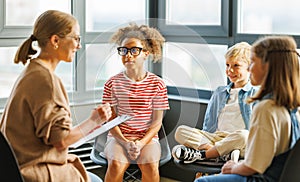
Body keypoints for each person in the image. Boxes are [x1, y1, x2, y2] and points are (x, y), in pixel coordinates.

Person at [0, 10, 112, 182]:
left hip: (17, 168)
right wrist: (95, 121)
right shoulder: (47, 81)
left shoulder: (31, 71)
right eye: (76, 38)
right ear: (55, 41)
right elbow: (61, 141)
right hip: (35, 171)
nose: (79, 45)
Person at [194, 36, 300, 182]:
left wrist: (232, 167)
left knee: (201, 181)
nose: (250, 68)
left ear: (267, 66)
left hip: (261, 178)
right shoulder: (291, 105)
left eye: (253, 62)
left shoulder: (266, 108)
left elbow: (254, 166)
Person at [101, 23, 169, 182]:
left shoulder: (158, 84)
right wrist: (125, 143)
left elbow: (156, 122)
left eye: (134, 50)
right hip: (118, 138)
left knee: (151, 166)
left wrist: (140, 143)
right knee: (116, 165)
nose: (128, 55)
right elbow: (110, 120)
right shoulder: (112, 84)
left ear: (146, 53)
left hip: (147, 139)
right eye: (123, 50)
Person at [172, 42, 258, 163]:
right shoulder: (219, 92)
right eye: (227, 65)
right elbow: (209, 122)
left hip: (237, 139)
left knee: (245, 136)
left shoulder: (256, 94)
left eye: (236, 65)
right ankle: (220, 153)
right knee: (180, 131)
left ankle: (205, 153)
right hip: (215, 138)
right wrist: (205, 140)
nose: (230, 70)